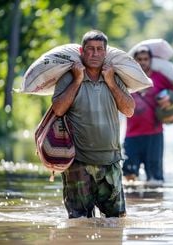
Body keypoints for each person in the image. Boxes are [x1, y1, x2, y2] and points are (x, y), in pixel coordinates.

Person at [51, 30, 135, 218]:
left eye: (99, 49)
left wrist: (111, 82)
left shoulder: (115, 77)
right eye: (90, 49)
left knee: (116, 222)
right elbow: (58, 109)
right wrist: (77, 79)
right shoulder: (68, 77)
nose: (95, 54)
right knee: (79, 221)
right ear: (82, 51)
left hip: (111, 162)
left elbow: (129, 110)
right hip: (78, 163)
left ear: (105, 52)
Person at [122, 45, 173, 183]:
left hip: (154, 134)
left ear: (150, 60)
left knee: (155, 179)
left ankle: (155, 202)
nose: (143, 62)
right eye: (139, 59)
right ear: (135, 61)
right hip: (131, 135)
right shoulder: (127, 79)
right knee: (129, 177)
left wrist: (169, 99)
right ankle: (135, 204)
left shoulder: (160, 78)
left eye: (146, 59)